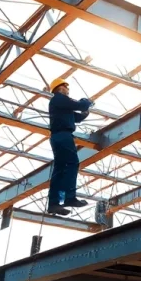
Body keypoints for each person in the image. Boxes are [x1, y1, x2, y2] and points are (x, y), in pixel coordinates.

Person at [47, 78, 94, 215]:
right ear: (61, 88)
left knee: (60, 169)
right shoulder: (59, 98)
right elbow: (81, 105)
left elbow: (76, 117)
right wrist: (87, 101)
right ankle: (69, 197)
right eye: (67, 88)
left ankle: (54, 204)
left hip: (58, 137)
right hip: (63, 136)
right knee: (72, 163)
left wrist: (85, 113)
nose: (68, 91)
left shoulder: (60, 104)